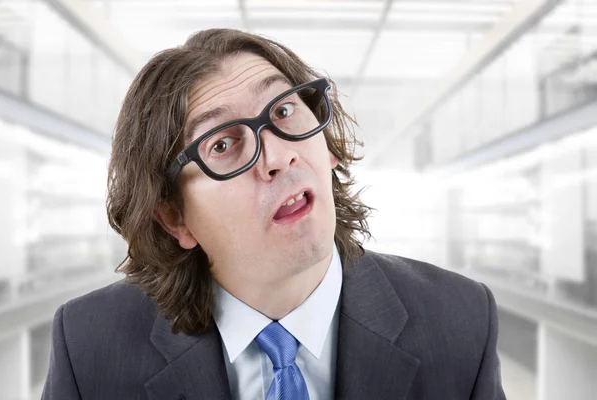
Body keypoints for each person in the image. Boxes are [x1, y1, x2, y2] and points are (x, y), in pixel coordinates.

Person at [42, 28, 506, 400]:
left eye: (284, 110)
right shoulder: (89, 348)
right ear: (174, 218)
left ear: (330, 153)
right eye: (222, 144)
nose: (279, 156)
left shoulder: (461, 321)